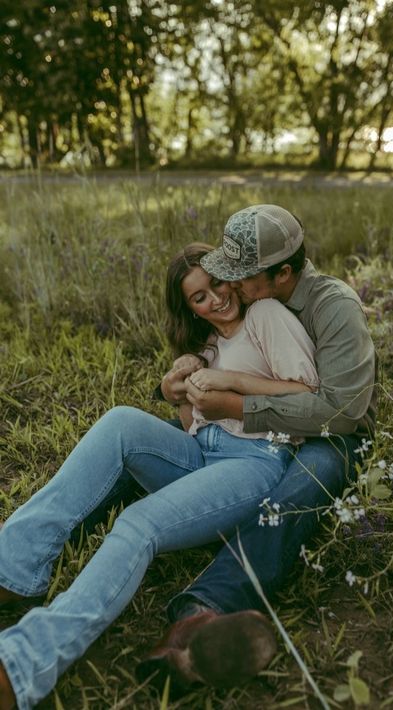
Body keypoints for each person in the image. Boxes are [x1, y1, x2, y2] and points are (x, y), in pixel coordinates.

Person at [0, 242, 320, 710]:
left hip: (254, 463)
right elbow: (195, 428)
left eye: (217, 283)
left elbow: (306, 392)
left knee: (138, 522)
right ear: (189, 308)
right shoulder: (208, 346)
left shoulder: (266, 315)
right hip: (203, 453)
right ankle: (11, 569)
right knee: (119, 423)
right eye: (198, 297)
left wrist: (230, 383)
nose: (215, 299)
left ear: (231, 276)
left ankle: (23, 664)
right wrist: (181, 396)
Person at [137, 204, 376, 692]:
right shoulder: (254, 300)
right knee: (147, 442)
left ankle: (197, 617)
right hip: (255, 430)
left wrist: (239, 407)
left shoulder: (333, 305)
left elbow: (343, 411)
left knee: (291, 494)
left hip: (330, 435)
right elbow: (216, 344)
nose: (228, 288)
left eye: (238, 278)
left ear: (282, 273)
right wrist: (184, 378)